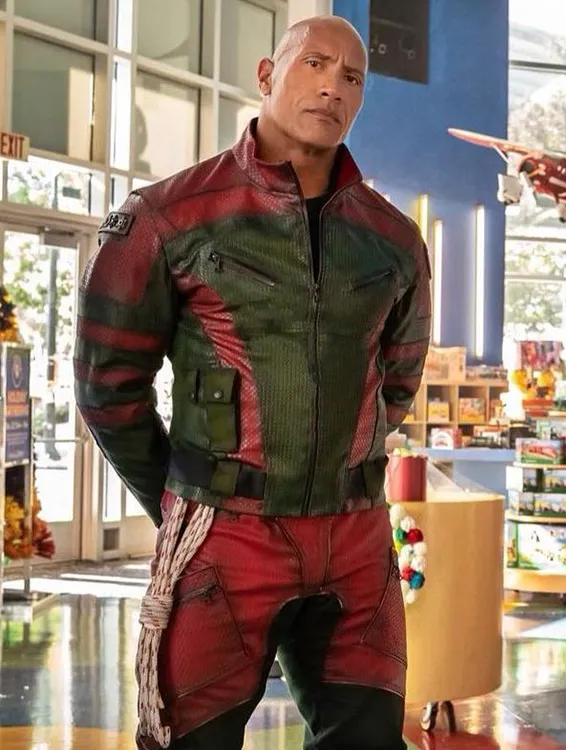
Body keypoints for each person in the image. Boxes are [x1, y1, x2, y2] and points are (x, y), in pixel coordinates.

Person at [74, 13, 431, 750]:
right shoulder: (165, 217)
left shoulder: (395, 240)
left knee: (369, 740)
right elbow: (109, 389)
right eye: (314, 64)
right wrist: (184, 498)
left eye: (352, 77)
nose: (332, 87)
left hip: (356, 542)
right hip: (223, 537)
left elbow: (397, 383)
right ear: (267, 75)